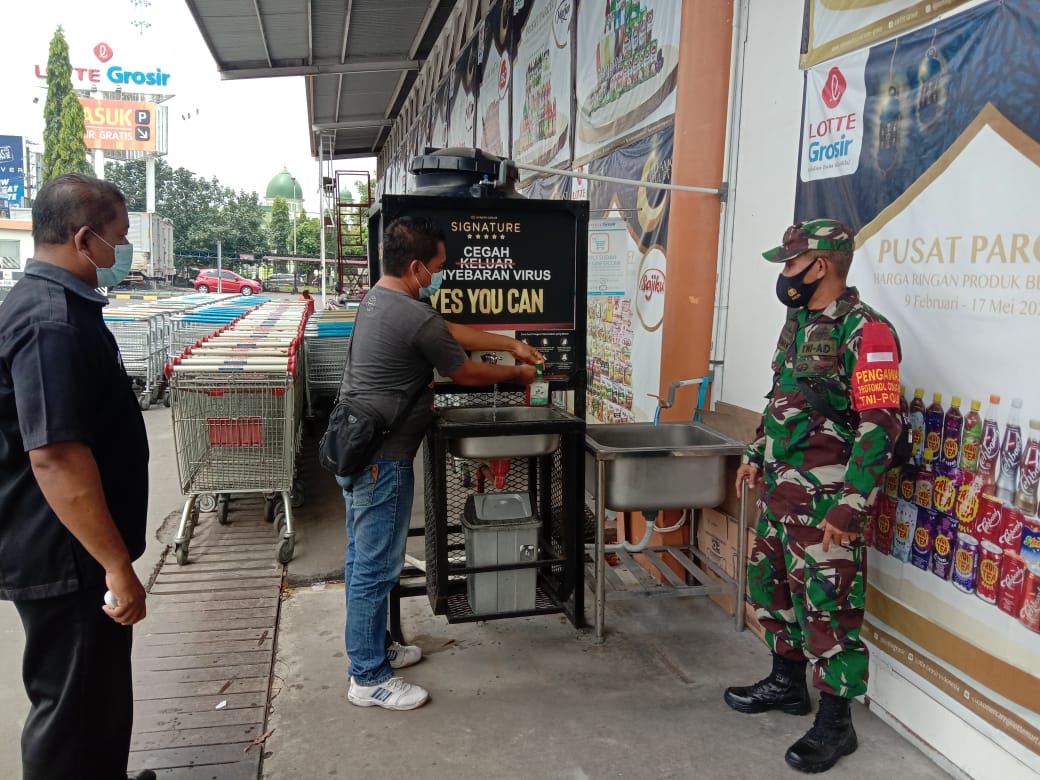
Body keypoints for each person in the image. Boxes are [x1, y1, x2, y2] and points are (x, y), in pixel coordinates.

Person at [333, 216, 543, 711]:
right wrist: (517, 371)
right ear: (414, 267)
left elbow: (447, 330)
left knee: (365, 561)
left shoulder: (383, 299)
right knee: (373, 569)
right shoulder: (410, 314)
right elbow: (464, 371)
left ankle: (374, 650)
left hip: (362, 452)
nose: (440, 275)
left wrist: (510, 342)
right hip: (381, 461)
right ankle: (368, 677)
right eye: (438, 267)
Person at [725, 219, 902, 773]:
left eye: (791, 263)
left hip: (828, 503)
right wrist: (757, 452)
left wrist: (852, 505)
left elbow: (881, 426)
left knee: (830, 609)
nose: (784, 275)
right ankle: (786, 685)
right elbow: (782, 394)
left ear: (819, 265)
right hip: (781, 491)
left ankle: (835, 723)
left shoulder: (866, 332)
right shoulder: (798, 322)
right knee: (772, 591)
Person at [0, 174, 154, 780]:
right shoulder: (50, 321)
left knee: (100, 695)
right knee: (71, 707)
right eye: (117, 239)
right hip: (66, 556)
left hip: (79, 548)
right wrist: (115, 565)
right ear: (84, 237)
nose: (122, 253)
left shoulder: (61, 306)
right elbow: (55, 456)